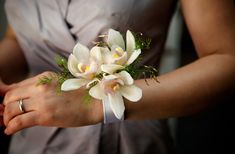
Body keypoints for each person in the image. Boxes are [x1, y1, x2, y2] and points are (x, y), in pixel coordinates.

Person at [1, 0, 235, 154]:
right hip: (32, 138)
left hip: (126, 141)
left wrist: (98, 104)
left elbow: (227, 59)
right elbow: (22, 40)